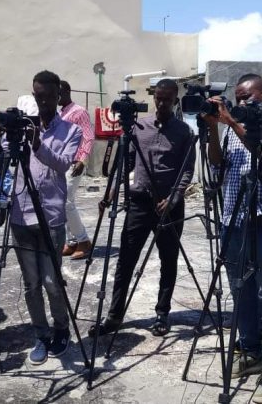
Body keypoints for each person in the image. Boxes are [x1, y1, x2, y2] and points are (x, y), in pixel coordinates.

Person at [204, 73, 262, 404]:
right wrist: (214, 129)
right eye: (239, 97)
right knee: (239, 290)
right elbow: (217, 165)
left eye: (250, 97)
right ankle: (251, 350)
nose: (244, 102)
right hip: (233, 220)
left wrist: (230, 121)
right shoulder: (231, 128)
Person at [90, 79, 195, 337]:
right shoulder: (138, 127)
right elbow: (125, 163)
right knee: (126, 259)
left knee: (168, 260)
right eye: (158, 98)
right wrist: (113, 188)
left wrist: (174, 197)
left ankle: (162, 313)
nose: (161, 103)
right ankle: (114, 315)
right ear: (153, 96)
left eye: (167, 99)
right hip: (139, 202)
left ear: (175, 100)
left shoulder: (184, 132)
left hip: (168, 206)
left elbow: (187, 170)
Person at [0, 71, 81, 365]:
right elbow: (1, 163)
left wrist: (37, 143)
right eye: (37, 95)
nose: (41, 101)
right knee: (30, 284)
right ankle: (41, 334)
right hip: (20, 214)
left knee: (51, 280)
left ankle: (61, 328)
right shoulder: (21, 127)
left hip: (51, 216)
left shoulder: (70, 130)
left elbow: (61, 164)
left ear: (58, 97)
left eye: (47, 96)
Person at [58, 80, 95, 260]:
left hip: (75, 161)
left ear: (65, 91)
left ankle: (84, 241)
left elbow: (88, 136)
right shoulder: (61, 112)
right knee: (60, 202)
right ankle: (71, 241)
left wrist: (83, 159)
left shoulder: (78, 112)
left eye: (57, 92)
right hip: (62, 162)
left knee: (66, 201)